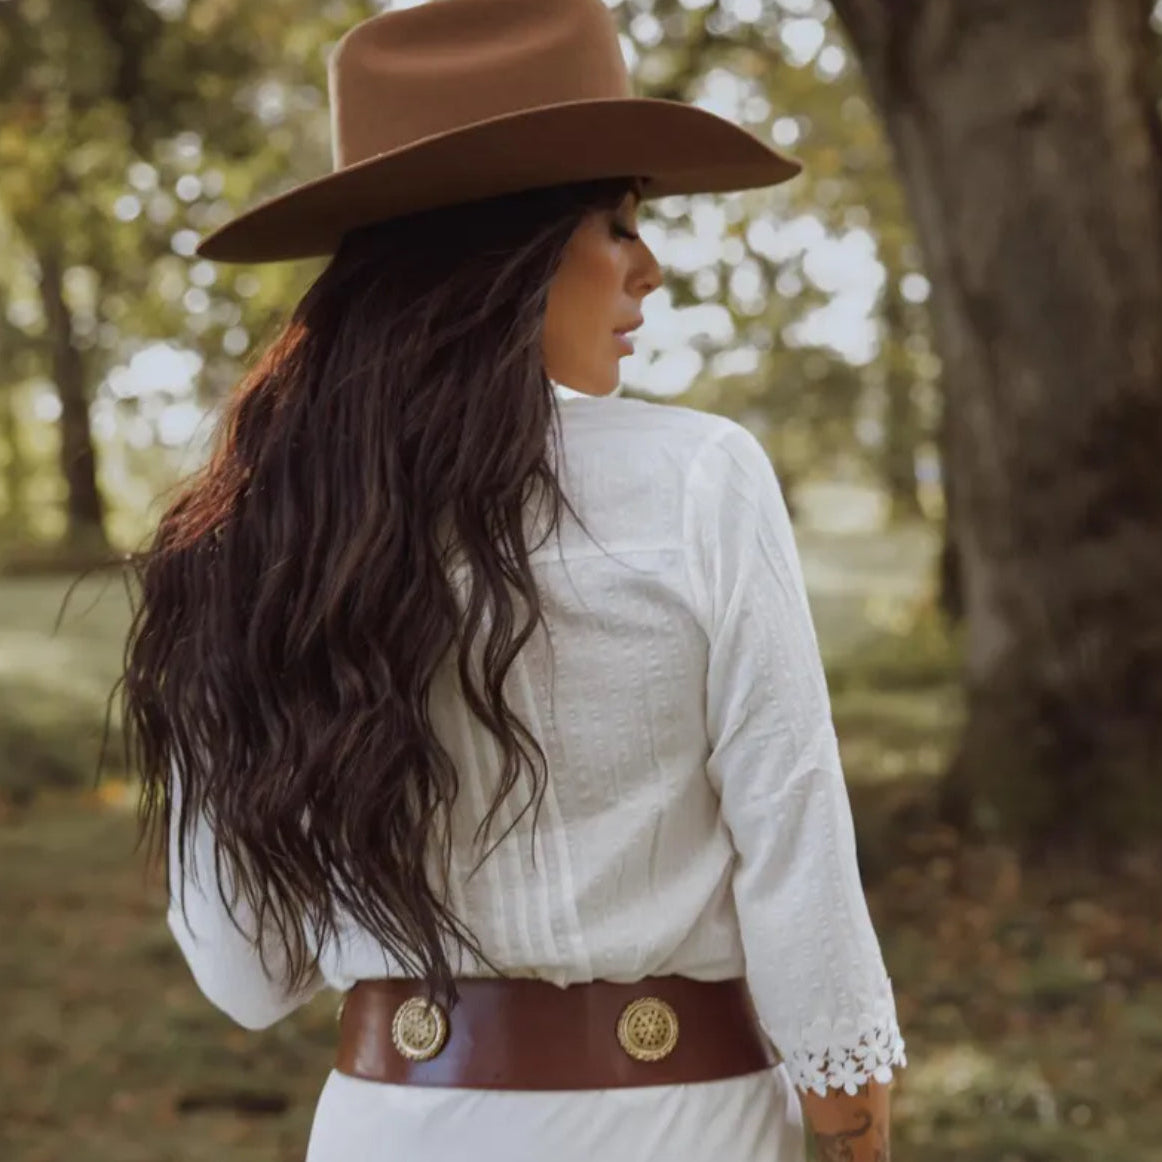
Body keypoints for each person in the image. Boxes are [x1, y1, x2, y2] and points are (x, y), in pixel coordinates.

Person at [122, 1, 907, 1159]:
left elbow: (248, 974)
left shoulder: (247, 542)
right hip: (679, 1126)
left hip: (393, 1127)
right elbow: (795, 850)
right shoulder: (698, 477)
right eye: (617, 221)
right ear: (507, 248)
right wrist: (852, 1133)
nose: (649, 265)